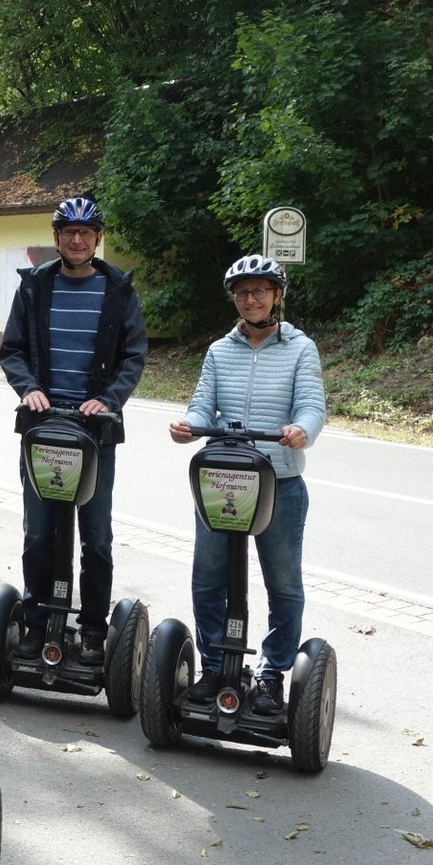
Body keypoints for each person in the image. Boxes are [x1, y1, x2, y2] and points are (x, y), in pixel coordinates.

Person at [168, 254, 326, 717]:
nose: (250, 299)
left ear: (277, 296)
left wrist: (301, 430)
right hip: (224, 479)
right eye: (242, 292)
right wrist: (189, 425)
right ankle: (216, 666)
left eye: (259, 291)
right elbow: (203, 405)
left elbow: (312, 406)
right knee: (208, 578)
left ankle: (271, 674)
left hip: (280, 481)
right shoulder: (220, 350)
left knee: (284, 583)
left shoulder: (301, 348)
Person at [0, 195, 149, 664]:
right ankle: (36, 621)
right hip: (43, 429)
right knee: (39, 534)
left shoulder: (118, 290)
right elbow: (12, 350)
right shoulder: (34, 287)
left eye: (85, 233)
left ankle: (93, 630)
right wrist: (28, 388)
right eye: (69, 232)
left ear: (97, 238)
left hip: (95, 431)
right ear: (57, 237)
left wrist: (109, 399)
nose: (77, 240)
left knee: (96, 537)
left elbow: (133, 356)